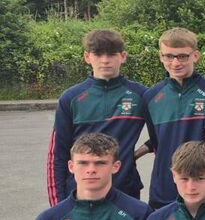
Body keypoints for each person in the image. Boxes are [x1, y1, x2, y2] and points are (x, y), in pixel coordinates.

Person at [47, 28, 148, 204]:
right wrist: (58, 205)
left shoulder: (141, 95)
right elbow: (58, 154)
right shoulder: (71, 98)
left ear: (123, 56)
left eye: (111, 54)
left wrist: (136, 153)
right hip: (81, 193)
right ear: (87, 57)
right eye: (98, 54)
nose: (105, 60)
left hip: (126, 191)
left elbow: (166, 131)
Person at [138, 28, 205, 210]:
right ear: (161, 57)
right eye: (168, 56)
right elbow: (156, 141)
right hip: (163, 189)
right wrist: (135, 153)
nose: (175, 63)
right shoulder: (150, 97)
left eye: (182, 56)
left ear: (196, 56)